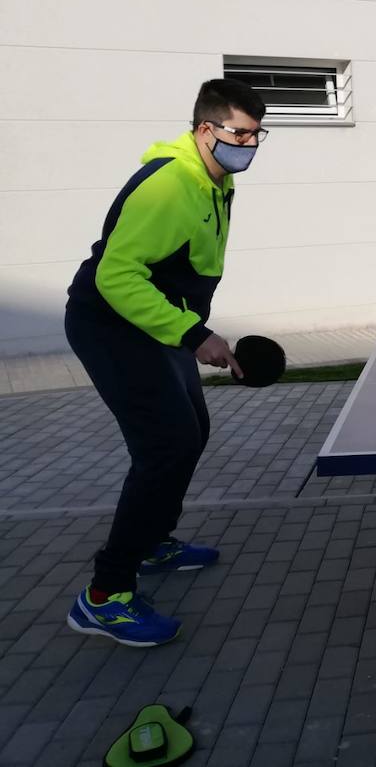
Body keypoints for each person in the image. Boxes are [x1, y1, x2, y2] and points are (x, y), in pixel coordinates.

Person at [64, 79, 268, 646]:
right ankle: (104, 596)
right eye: (239, 133)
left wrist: (190, 329)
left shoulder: (214, 180)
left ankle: (153, 541)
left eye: (257, 134)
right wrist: (191, 332)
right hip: (110, 324)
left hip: (154, 324)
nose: (249, 145)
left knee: (192, 430)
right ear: (206, 130)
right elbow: (116, 277)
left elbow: (179, 268)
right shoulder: (169, 185)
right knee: (166, 446)